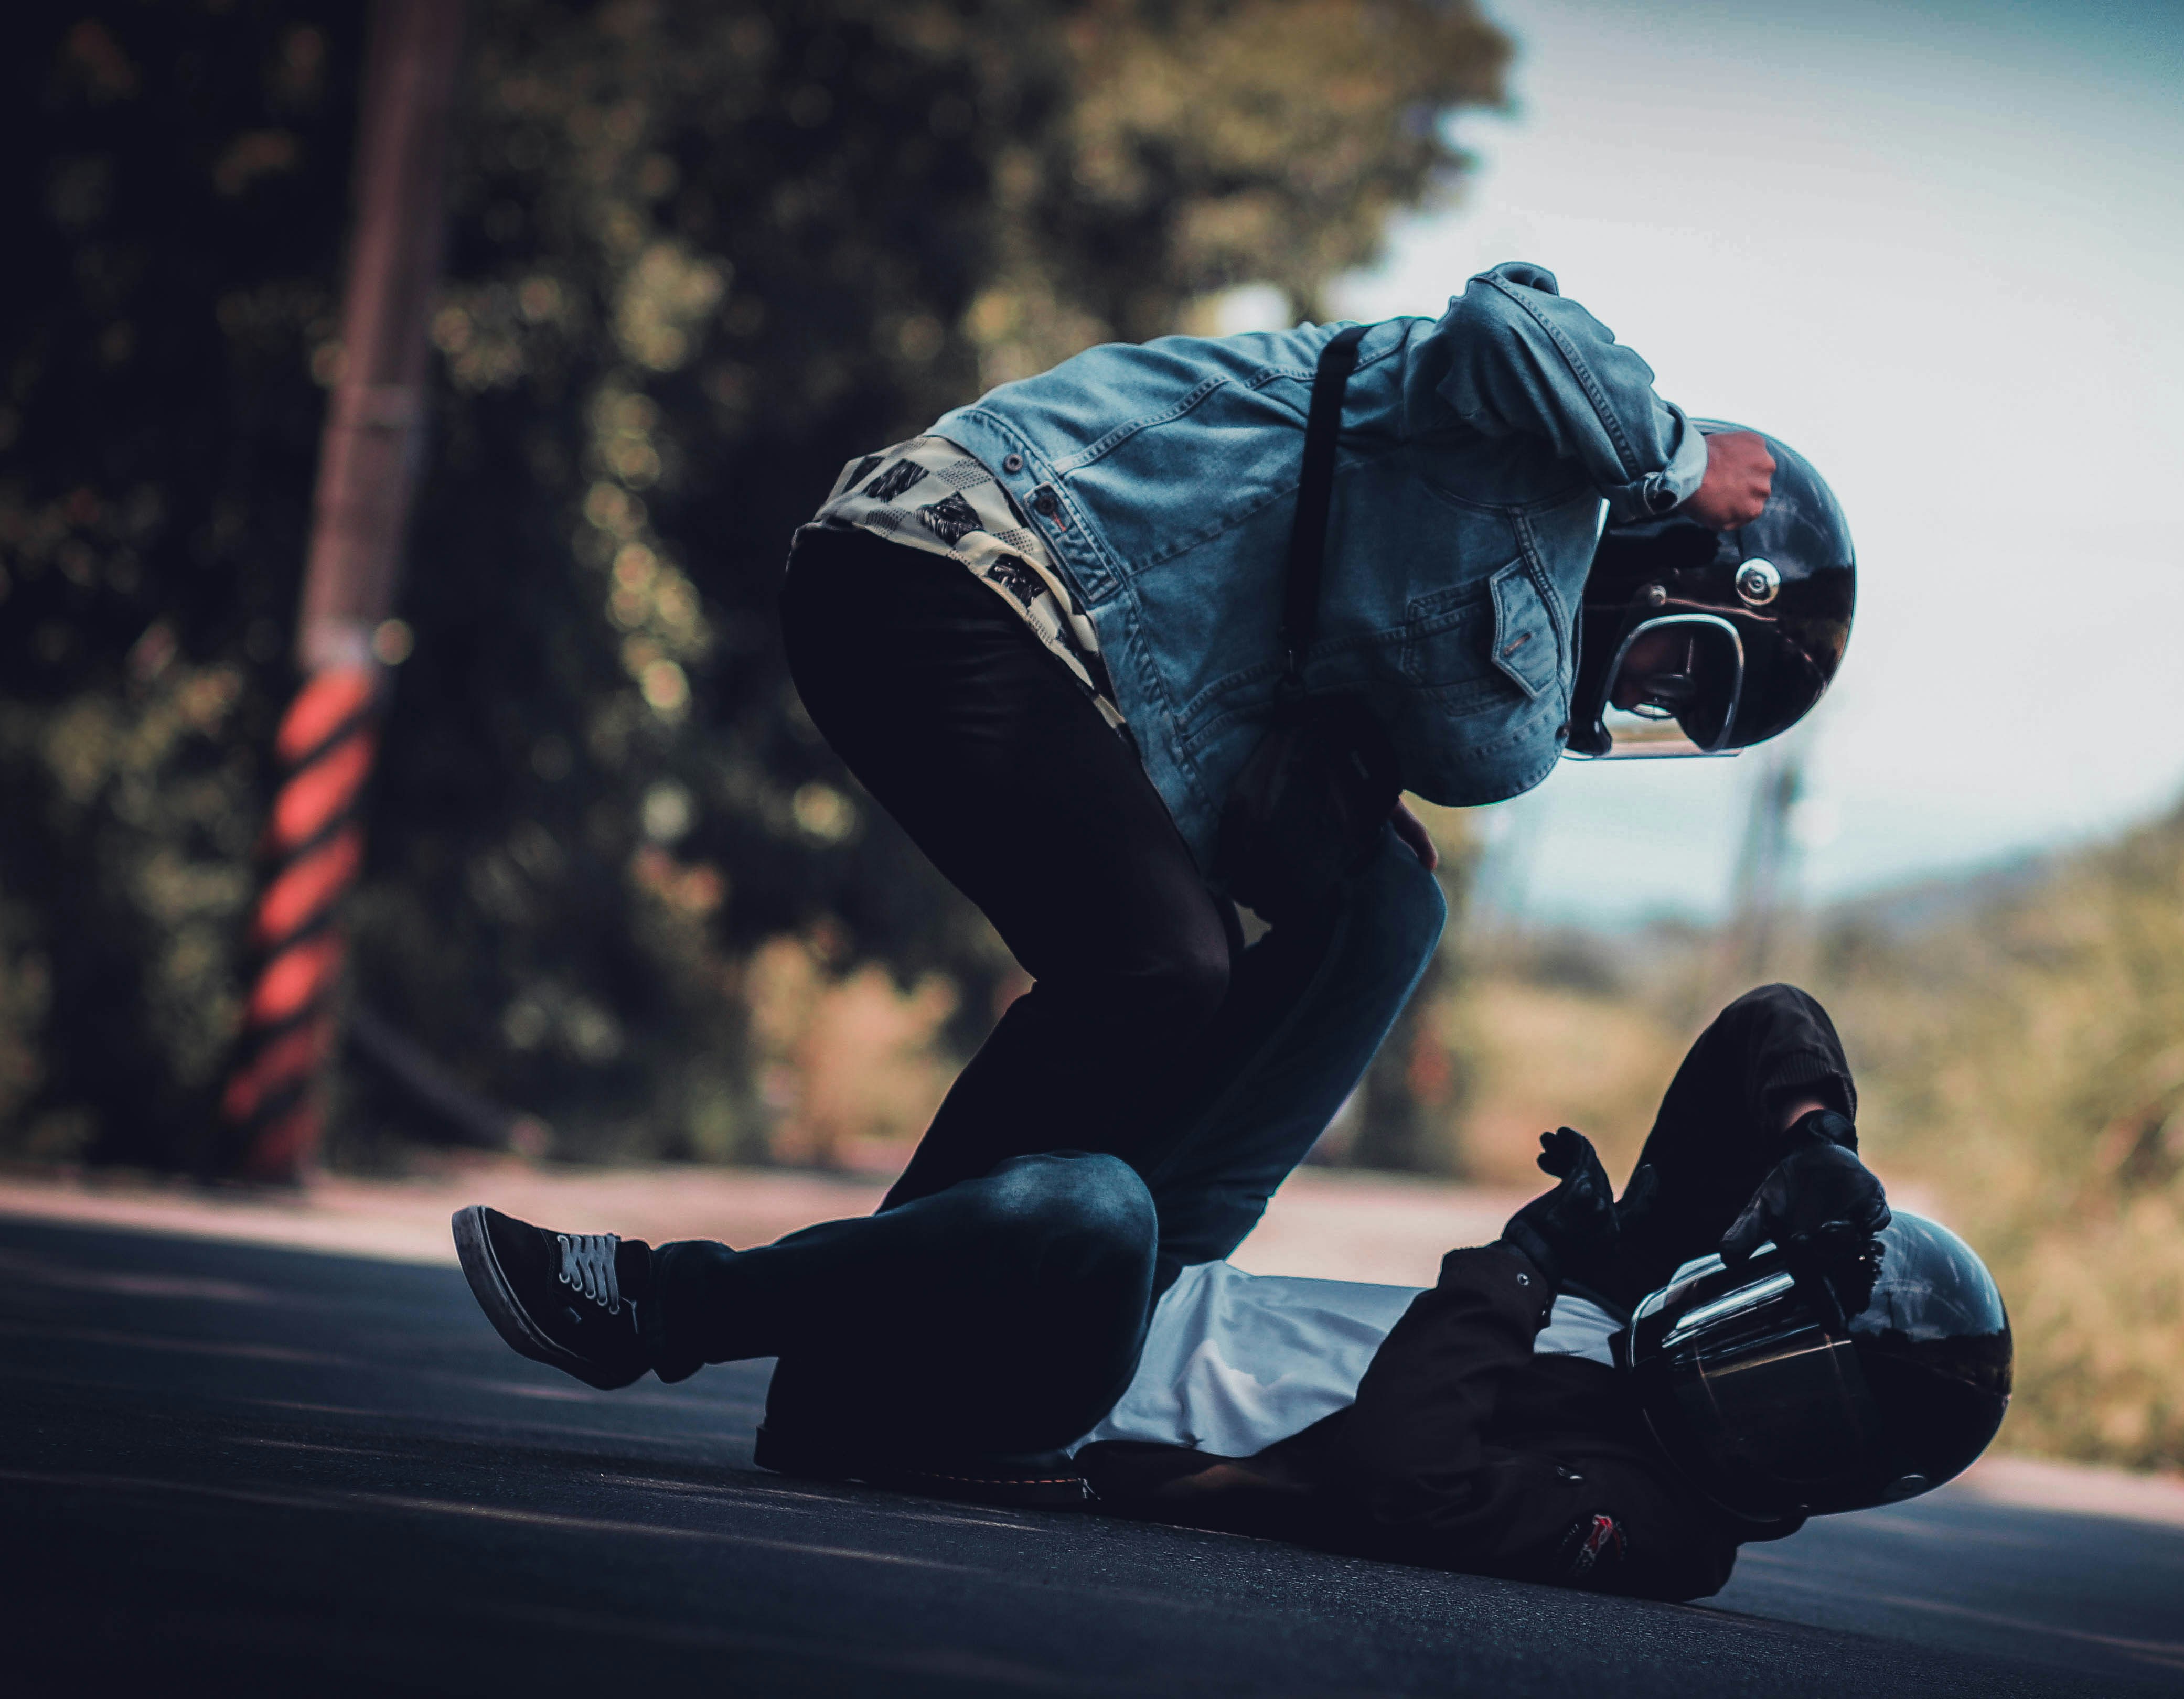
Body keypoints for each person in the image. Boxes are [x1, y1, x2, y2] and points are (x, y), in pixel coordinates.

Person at [751, 263, 1858, 1472]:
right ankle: (845, 1366)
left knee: (1385, 913)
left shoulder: (1453, 599)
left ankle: (1108, 1311)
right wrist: (1679, 458)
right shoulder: (1506, 444)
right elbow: (1502, 318)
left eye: (1683, 710)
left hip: (1071, 653)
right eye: (1678, 668)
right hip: (950, 561)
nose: (1646, 696)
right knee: (1159, 965)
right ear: (1670, 563)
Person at [451, 985, 2009, 1601]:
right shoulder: (1665, 1297)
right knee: (1387, 925)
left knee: (1093, 1203)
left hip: (1072, 1404)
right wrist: (1821, 1147)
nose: (1748, 1379)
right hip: (1179, 1286)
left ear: (1828, 1474)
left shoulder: (1668, 1533)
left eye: (1799, 1404)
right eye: (1773, 1343)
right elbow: (1766, 1025)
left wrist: (1524, 1266)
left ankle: (660, 1313)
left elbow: (1414, 1475)